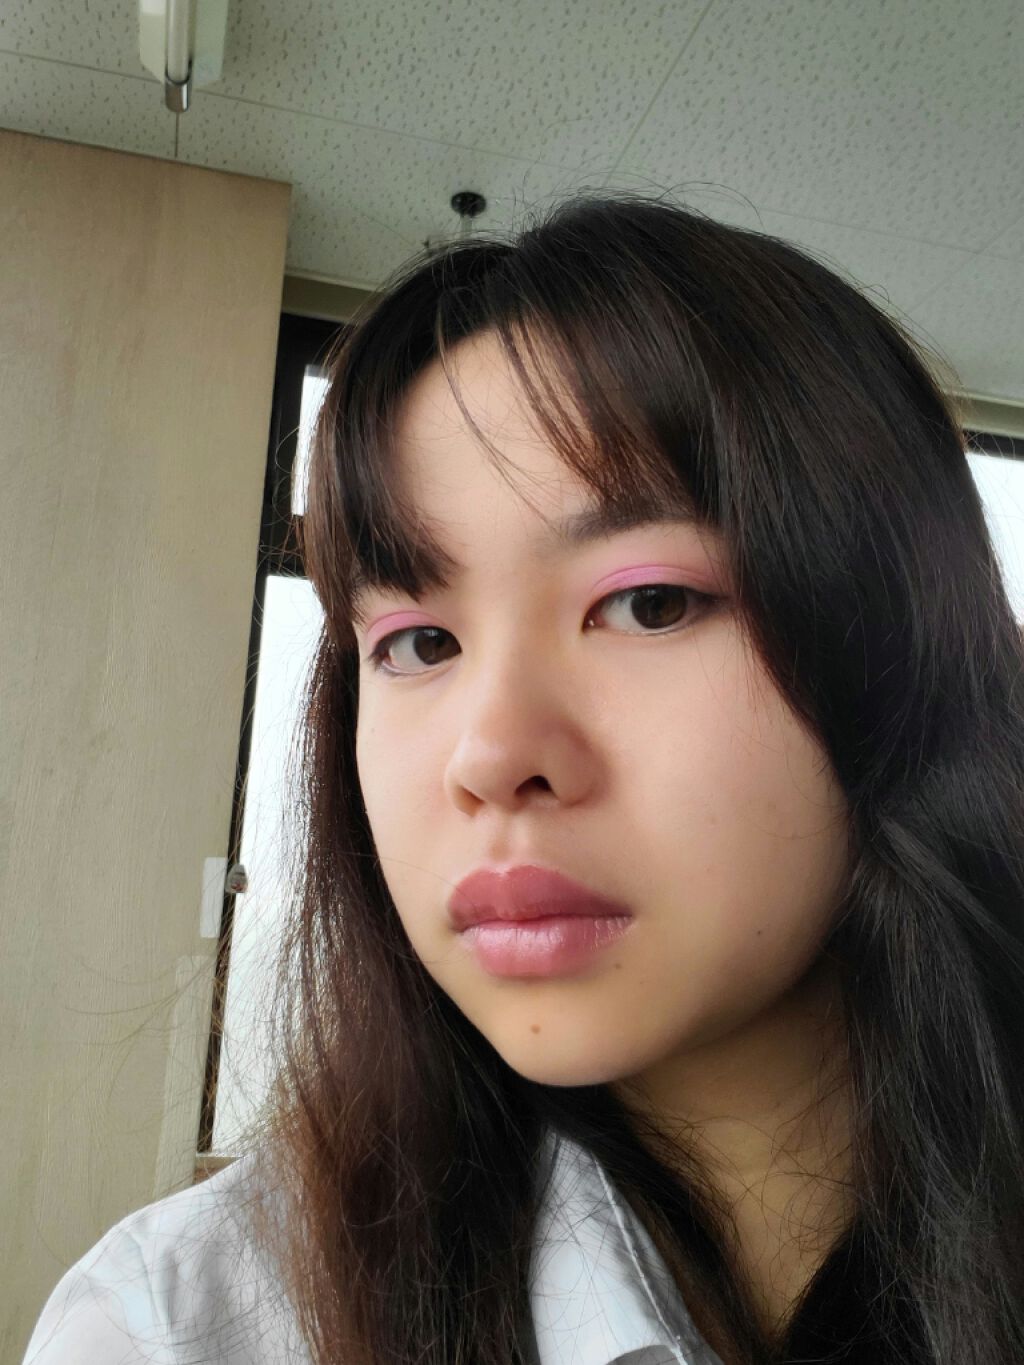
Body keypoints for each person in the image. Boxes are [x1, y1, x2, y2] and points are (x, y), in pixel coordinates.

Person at [22, 192, 1024, 1365]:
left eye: (649, 604)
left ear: (904, 650)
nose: (489, 758)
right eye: (418, 643)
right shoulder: (178, 1330)